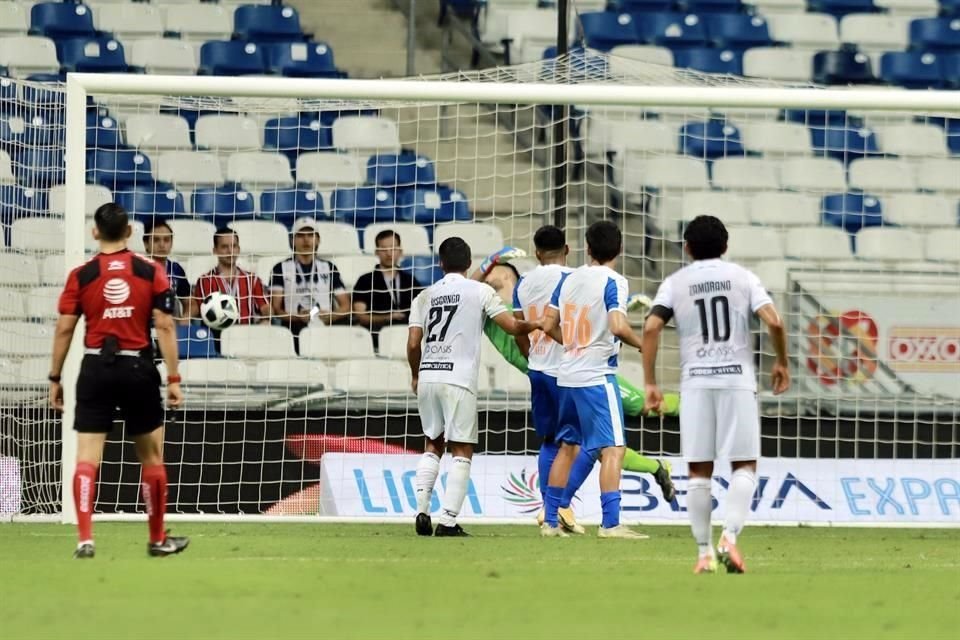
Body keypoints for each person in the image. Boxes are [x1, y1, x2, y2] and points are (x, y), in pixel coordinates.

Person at [472, 243, 677, 534]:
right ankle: (601, 512)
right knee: (607, 439)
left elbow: (577, 309)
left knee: (574, 442)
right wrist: (489, 260)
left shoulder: (524, 297)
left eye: (503, 279)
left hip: (557, 371)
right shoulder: (497, 308)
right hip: (583, 369)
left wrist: (625, 303)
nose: (498, 284)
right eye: (494, 281)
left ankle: (554, 512)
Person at [642, 215, 790, 574]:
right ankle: (730, 538)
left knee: (698, 471)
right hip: (736, 380)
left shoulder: (676, 283)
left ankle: (704, 553)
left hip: (696, 382)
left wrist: (650, 382)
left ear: (687, 248)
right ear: (725, 247)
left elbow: (650, 326)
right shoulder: (743, 278)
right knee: (744, 465)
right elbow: (774, 321)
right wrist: (782, 361)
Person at [48, 202, 188, 559]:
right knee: (152, 457)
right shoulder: (150, 270)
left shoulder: (81, 274)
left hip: (95, 367)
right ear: (128, 233)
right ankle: (157, 540)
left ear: (95, 232)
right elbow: (166, 324)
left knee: (87, 457)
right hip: (137, 368)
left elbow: (65, 328)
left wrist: (55, 377)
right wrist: (173, 378)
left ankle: (84, 539)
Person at [407, 237, 540, 537]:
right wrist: (538, 323)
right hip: (459, 378)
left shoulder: (423, 296)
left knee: (432, 443)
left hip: (428, 375)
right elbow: (512, 327)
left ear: (440, 264)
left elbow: (414, 343)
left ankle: (421, 510)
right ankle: (449, 521)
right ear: (468, 264)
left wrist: (416, 375)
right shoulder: (481, 291)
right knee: (462, 449)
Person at [542, 220, 647, 539]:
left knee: (567, 446)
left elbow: (547, 325)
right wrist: (643, 343)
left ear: (587, 248)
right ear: (619, 250)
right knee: (613, 449)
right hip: (596, 375)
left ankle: (549, 522)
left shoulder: (569, 278)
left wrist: (573, 345)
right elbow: (617, 325)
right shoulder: (615, 281)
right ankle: (611, 524)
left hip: (567, 375)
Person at [270, 218, 351, 345]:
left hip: (324, 326)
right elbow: (275, 309)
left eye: (310, 235)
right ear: (293, 240)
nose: (306, 240)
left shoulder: (329, 267)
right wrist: (296, 317)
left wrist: (332, 316)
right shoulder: (280, 268)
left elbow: (346, 305)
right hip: (292, 328)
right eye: (301, 236)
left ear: (318, 239)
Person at [353, 229, 422, 349]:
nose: (389, 253)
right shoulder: (365, 280)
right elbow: (360, 316)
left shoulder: (410, 280)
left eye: (393, 248)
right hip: (375, 340)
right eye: (384, 249)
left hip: (407, 341)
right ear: (376, 252)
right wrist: (388, 317)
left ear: (400, 251)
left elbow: (422, 312)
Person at [189, 227, 271, 325]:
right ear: (215, 250)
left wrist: (266, 319)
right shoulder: (205, 280)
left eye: (234, 246)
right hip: (216, 335)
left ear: (239, 249)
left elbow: (265, 307)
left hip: (247, 335)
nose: (230, 251)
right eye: (224, 247)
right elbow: (199, 310)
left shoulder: (252, 279)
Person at [142, 218, 190, 324]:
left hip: (170, 328)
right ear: (146, 244)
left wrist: (185, 318)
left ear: (171, 244)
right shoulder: (138, 268)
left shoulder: (176, 269)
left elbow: (190, 302)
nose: (162, 245)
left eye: (166, 240)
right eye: (156, 240)